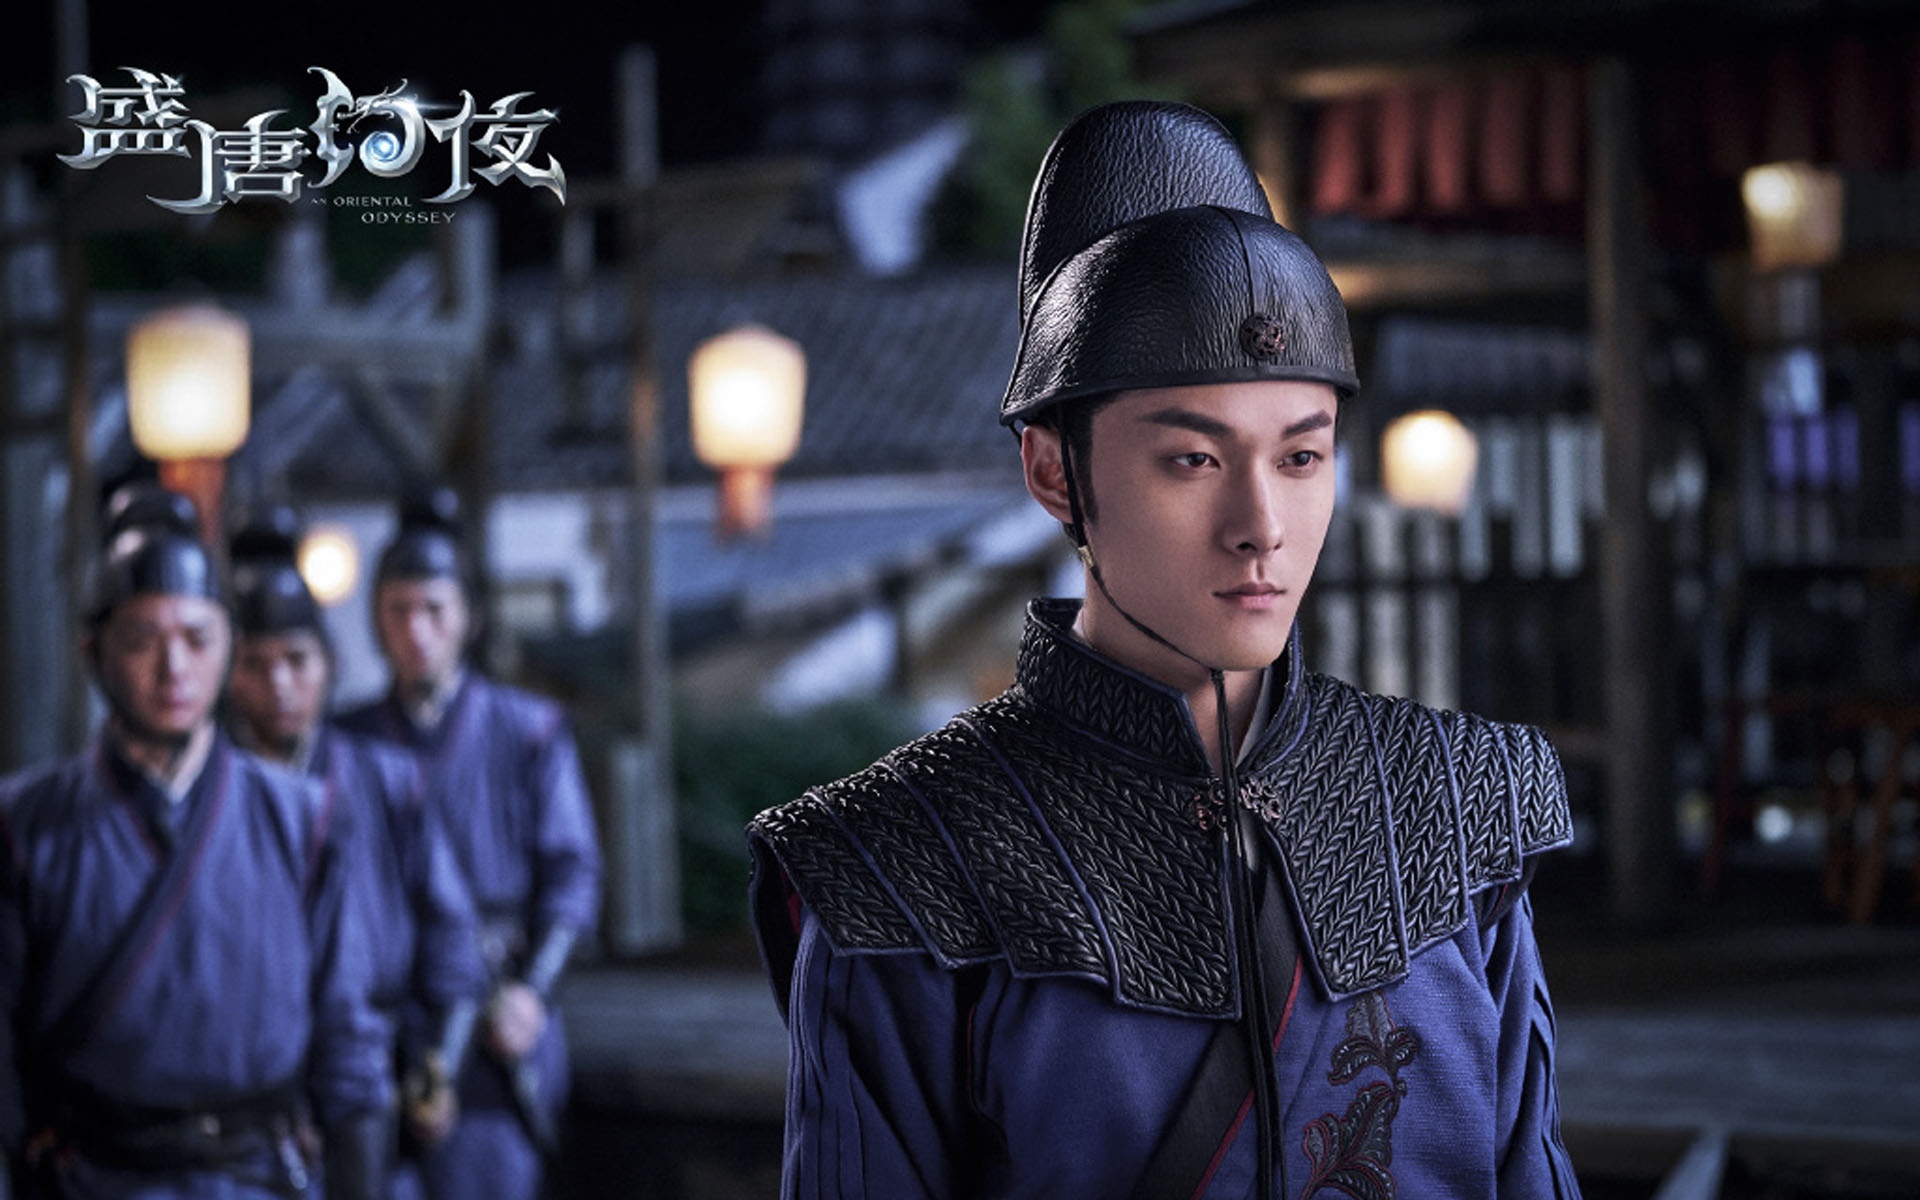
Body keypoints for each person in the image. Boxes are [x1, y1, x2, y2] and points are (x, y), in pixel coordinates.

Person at [745, 100, 1583, 1198]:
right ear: (1055, 471)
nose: (1261, 527)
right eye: (1194, 459)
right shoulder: (899, 864)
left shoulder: (1454, 803)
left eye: (1300, 458)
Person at [0, 484, 391, 1199]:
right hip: (91, 1176)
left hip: (260, 1175)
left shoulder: (304, 819)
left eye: (196, 639)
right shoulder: (25, 825)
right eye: (141, 641)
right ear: (93, 652)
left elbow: (348, 1044)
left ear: (229, 648)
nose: (173, 667)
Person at [336, 488, 601, 1200]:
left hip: (496, 1000)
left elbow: (572, 871)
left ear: (467, 618)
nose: (416, 630)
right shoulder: (348, 742)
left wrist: (533, 993)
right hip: (385, 1010)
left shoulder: (530, 730)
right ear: (377, 620)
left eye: (434, 610)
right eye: (398, 610)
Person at [224, 509, 489, 1195]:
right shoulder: (214, 796)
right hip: (249, 1076)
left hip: (380, 1054)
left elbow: (451, 932)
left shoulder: (389, 779)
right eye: (256, 665)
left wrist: (440, 1061)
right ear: (228, 675)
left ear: (329, 665)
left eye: (297, 661)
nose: (280, 685)